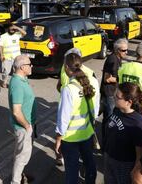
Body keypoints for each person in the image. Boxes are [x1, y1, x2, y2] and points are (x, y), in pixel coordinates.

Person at [55, 53, 98, 184]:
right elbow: (94, 110)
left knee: (72, 171)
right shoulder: (89, 83)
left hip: (71, 138)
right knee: (89, 164)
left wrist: (58, 139)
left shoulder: (69, 89)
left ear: (67, 67)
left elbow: (63, 118)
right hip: (87, 134)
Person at [104, 82, 142, 184]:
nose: (114, 97)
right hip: (110, 158)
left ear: (128, 102)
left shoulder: (138, 124)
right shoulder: (117, 110)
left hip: (124, 166)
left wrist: (135, 173)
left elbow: (141, 155)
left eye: (117, 96)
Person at [8, 55, 37, 184]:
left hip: (26, 125)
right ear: (22, 67)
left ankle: (20, 176)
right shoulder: (17, 84)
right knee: (22, 156)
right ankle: (15, 181)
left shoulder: (22, 79)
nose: (32, 66)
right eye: (29, 64)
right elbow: (16, 112)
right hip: (23, 127)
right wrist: (27, 126)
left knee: (21, 153)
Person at [101, 39, 128, 134]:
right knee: (109, 118)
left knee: (108, 117)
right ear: (117, 50)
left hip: (111, 92)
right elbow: (107, 78)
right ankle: (106, 140)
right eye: (124, 50)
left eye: (126, 50)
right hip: (109, 93)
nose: (126, 52)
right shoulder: (112, 59)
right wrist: (122, 79)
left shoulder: (117, 58)